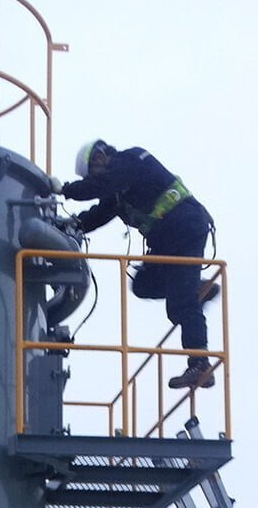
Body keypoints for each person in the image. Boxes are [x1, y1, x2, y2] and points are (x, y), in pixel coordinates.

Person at [60, 140, 217, 390]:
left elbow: (101, 185)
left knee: (182, 303)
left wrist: (63, 189)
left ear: (100, 156)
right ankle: (196, 287)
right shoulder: (118, 191)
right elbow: (98, 214)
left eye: (93, 172)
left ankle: (201, 364)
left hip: (185, 228)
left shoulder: (131, 160)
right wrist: (68, 225)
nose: (95, 178)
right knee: (143, 284)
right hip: (168, 239)